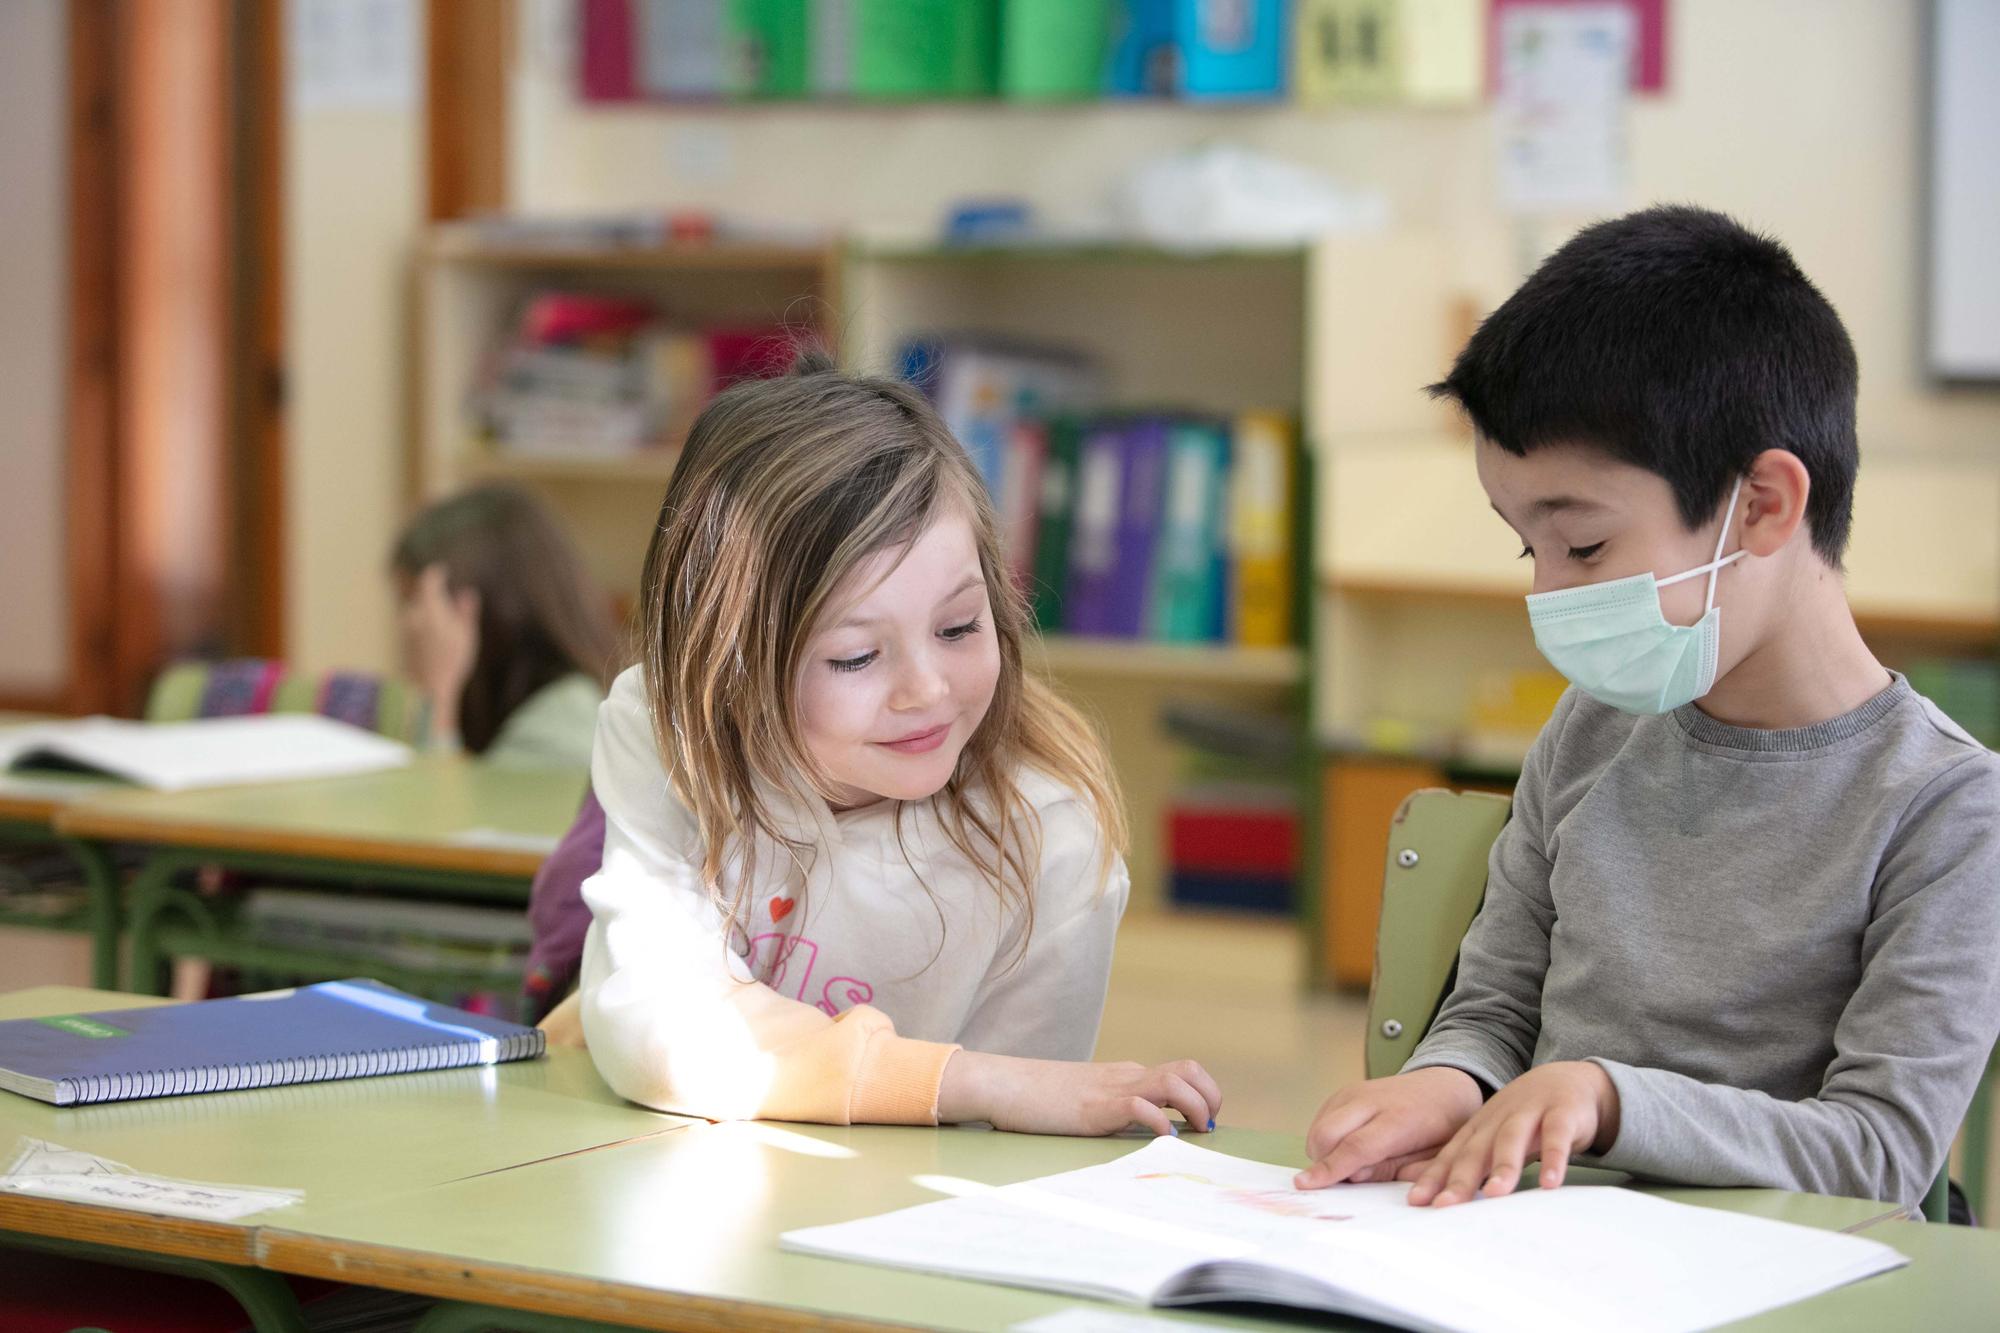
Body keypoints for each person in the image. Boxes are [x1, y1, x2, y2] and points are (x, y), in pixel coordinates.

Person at [1298, 206, 2000, 1211]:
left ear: (1761, 505)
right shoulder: (1590, 730)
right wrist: (1447, 1084)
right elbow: (1494, 1005)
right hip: (1536, 1251)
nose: (1547, 591)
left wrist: (1607, 1099)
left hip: (1779, 1274)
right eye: (1524, 546)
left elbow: (1877, 1153)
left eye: (1581, 546)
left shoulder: (1943, 806)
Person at [542, 352, 1222, 1137]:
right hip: (598, 1149)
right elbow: (662, 1031)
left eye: (960, 626)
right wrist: (966, 1079)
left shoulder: (1049, 839)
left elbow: (1005, 1152)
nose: (926, 689)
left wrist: (988, 1091)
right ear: (726, 665)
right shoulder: (667, 728)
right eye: (857, 656)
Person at [391, 484, 617, 769]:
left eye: (416, 603)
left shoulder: (564, 720)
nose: (409, 625)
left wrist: (437, 699)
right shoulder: (497, 708)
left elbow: (436, 812)